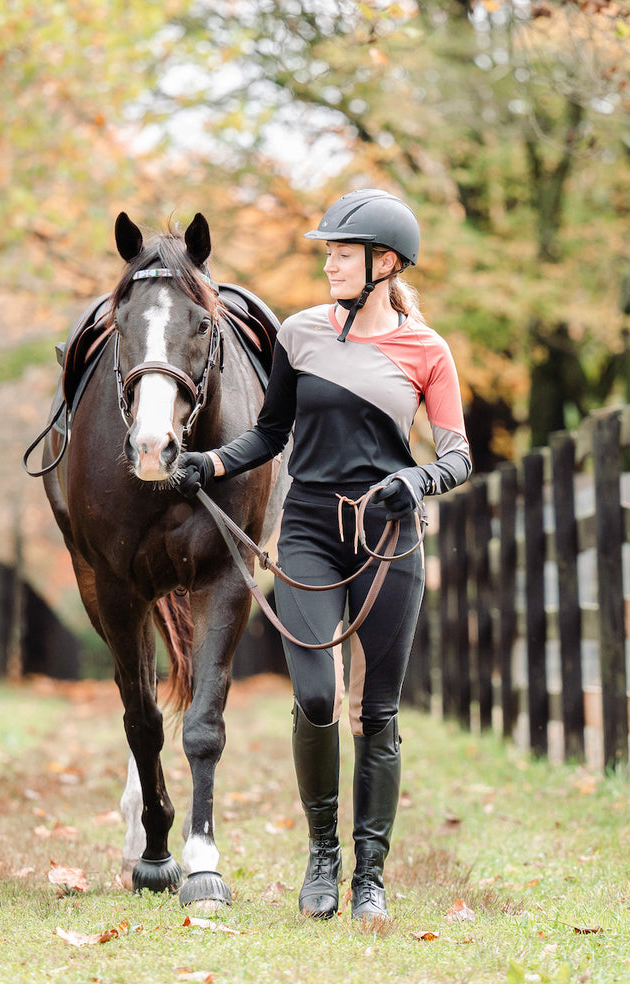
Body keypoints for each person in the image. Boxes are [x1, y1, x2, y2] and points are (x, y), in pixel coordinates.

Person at [173, 189, 472, 923]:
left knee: (377, 709)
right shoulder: (300, 334)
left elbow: (459, 454)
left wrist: (417, 476)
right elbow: (269, 433)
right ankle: (322, 856)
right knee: (314, 696)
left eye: (343, 251)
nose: (330, 262)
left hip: (387, 536)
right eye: (329, 251)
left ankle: (369, 874)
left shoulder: (426, 349)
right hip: (307, 527)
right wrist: (208, 464)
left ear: (385, 262)